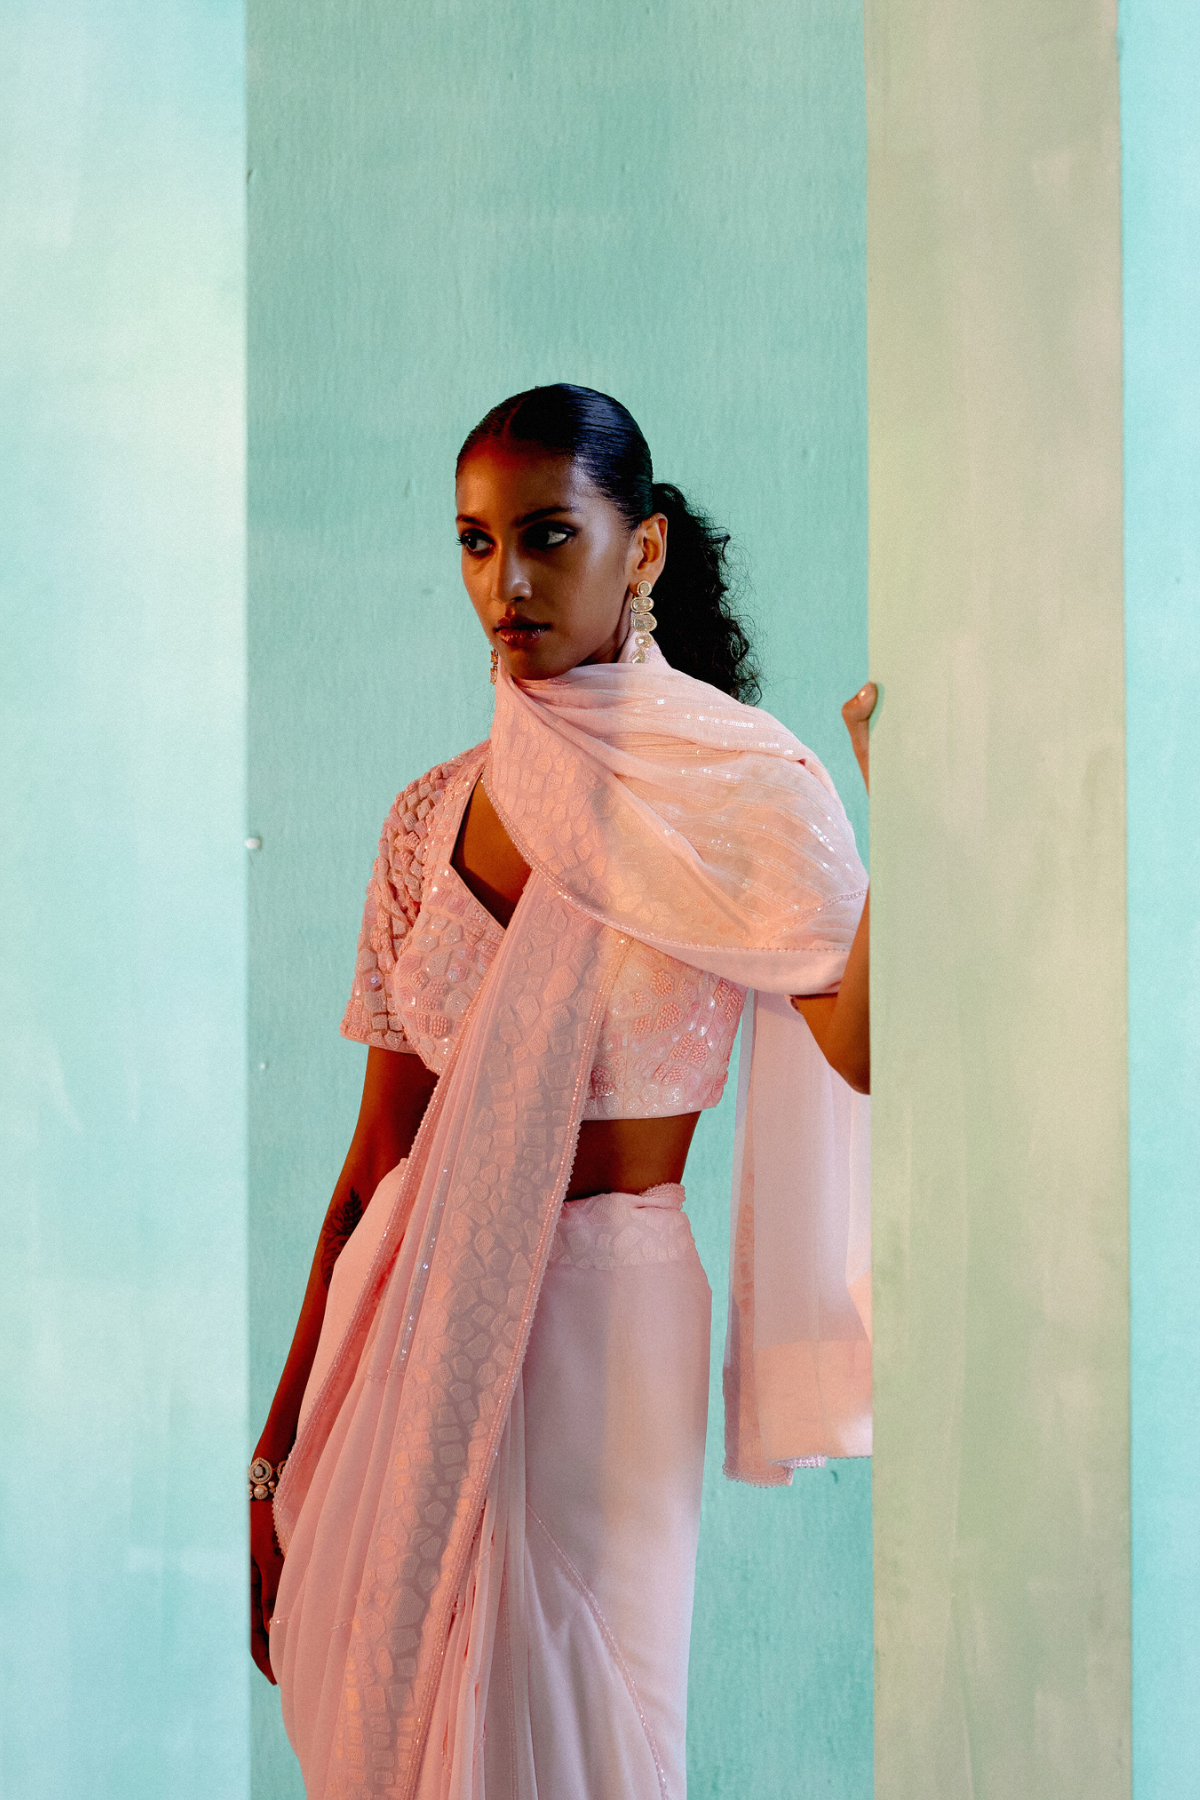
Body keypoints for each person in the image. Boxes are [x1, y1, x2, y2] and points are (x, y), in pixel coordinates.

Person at [250, 384, 875, 1800]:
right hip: (400, 1329)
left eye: (546, 536)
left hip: (609, 1323)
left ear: (640, 549)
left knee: (598, 1734)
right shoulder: (427, 817)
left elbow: (863, 1047)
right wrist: (276, 1453)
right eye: (475, 544)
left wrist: (907, 804)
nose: (506, 584)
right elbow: (374, 1164)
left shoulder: (741, 797)